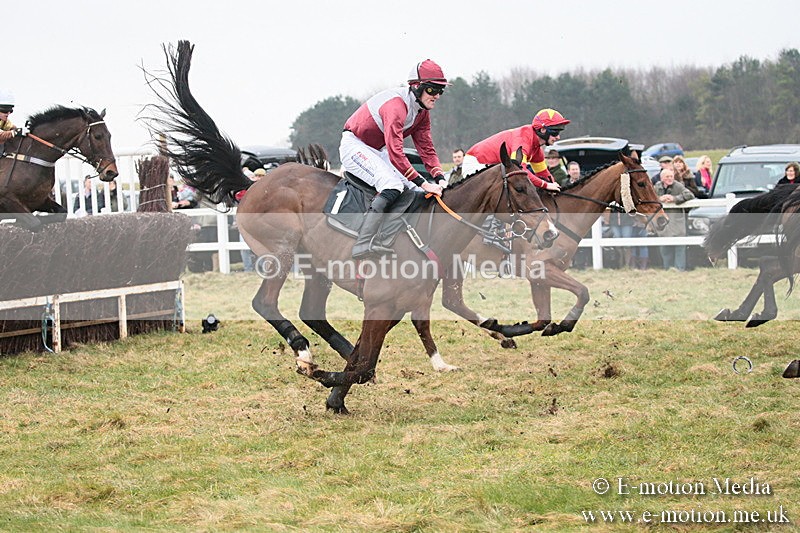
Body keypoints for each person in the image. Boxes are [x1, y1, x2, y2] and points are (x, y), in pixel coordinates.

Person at [339, 59, 448, 259]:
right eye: (433, 90)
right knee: (392, 185)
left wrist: (440, 177)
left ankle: (391, 236)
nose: (437, 96)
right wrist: (424, 183)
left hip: (377, 149)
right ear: (417, 87)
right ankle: (362, 244)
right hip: (354, 145)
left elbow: (426, 149)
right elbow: (396, 152)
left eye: (441, 90)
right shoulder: (396, 106)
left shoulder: (422, 113)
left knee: (412, 190)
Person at [463, 108, 569, 192]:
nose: (558, 137)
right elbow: (519, 171)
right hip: (477, 163)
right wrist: (545, 185)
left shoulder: (536, 149)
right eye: (555, 132)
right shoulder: (523, 140)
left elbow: (544, 175)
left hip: (493, 167)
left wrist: (555, 186)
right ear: (542, 130)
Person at [654, 167, 695, 270]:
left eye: (671, 176)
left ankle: (679, 269)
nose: (670, 178)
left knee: (680, 246)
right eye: (667, 176)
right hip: (663, 222)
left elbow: (689, 195)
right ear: (662, 178)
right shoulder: (657, 186)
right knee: (665, 247)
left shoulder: (678, 186)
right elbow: (650, 198)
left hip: (677, 222)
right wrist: (660, 199)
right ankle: (667, 268)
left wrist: (675, 199)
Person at [239, 167, 266, 271]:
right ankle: (248, 268)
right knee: (244, 246)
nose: (259, 178)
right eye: (257, 176)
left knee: (261, 246)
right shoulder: (248, 188)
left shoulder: (268, 189)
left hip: (261, 222)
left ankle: (265, 268)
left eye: (261, 176)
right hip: (246, 221)